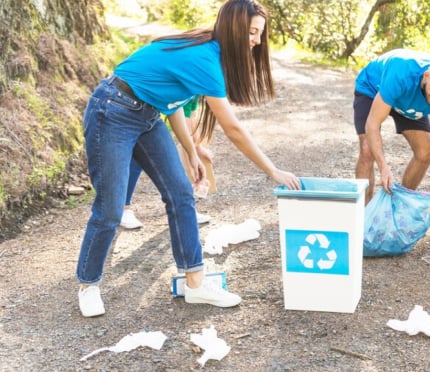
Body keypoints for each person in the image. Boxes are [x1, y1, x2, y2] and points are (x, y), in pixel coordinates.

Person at [76, 0, 300, 318]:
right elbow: (232, 128)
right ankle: (88, 284)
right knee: (111, 208)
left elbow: (173, 101)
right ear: (235, 29)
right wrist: (272, 170)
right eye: (252, 32)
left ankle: (196, 283)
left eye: (260, 34)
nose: (257, 41)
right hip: (112, 110)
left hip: (148, 115)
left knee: (181, 193)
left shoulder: (213, 55)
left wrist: (190, 151)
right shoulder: (205, 56)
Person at [354, 49, 430, 203]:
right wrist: (384, 167)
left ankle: (399, 204)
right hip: (373, 88)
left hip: (407, 101)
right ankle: (364, 212)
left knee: (426, 152)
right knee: (367, 149)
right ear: (426, 76)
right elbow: (373, 124)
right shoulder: (401, 73)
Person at [119, 96, 212, 229]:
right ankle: (123, 209)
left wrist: (198, 146)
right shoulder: (189, 82)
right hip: (133, 107)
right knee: (139, 155)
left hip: (150, 112)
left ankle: (186, 209)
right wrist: (194, 150)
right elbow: (184, 125)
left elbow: (191, 116)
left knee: (141, 155)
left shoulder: (198, 88)